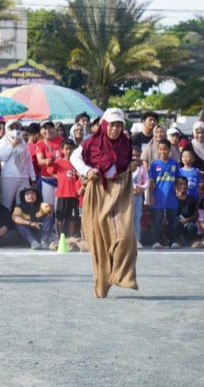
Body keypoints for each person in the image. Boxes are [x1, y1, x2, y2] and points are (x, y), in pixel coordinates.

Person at [70, 108, 138, 298]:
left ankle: (121, 275)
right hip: (99, 191)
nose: (115, 129)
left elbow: (125, 164)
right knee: (100, 238)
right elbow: (74, 157)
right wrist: (86, 170)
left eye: (119, 125)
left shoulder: (126, 144)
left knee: (124, 236)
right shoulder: (91, 142)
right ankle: (102, 283)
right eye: (112, 125)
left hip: (121, 192)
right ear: (105, 125)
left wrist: (131, 166)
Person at [0, 120, 37, 211]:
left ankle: (21, 225)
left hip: (24, 177)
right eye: (12, 127)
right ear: (7, 129)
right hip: (9, 177)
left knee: (23, 204)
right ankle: (5, 224)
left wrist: (33, 178)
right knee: (6, 204)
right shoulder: (3, 141)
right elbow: (1, 157)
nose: (14, 130)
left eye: (16, 127)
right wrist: (12, 145)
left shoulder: (23, 142)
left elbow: (28, 161)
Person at [44, 138, 81, 239]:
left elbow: (80, 176)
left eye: (71, 149)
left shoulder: (77, 162)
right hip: (62, 194)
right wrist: (59, 177)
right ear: (62, 150)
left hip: (73, 194)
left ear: (74, 149)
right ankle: (60, 237)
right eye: (66, 149)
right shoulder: (59, 162)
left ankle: (71, 236)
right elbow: (49, 170)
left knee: (72, 218)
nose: (69, 151)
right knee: (60, 217)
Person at [148, 139, 180, 249]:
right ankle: (156, 241)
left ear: (169, 150)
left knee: (173, 221)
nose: (162, 152)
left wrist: (178, 190)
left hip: (171, 197)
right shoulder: (154, 164)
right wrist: (151, 196)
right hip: (158, 197)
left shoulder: (174, 164)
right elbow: (151, 182)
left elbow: (178, 180)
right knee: (157, 221)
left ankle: (173, 241)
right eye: (160, 149)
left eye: (165, 149)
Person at [35, 120, 63, 207]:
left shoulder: (61, 140)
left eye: (50, 128)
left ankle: (58, 221)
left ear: (54, 129)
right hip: (47, 178)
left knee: (59, 207)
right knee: (48, 207)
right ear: (41, 131)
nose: (48, 130)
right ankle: (48, 221)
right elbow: (40, 161)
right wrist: (46, 161)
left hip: (61, 177)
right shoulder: (40, 144)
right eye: (45, 128)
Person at [131, 146, 149, 248]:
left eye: (137, 155)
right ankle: (127, 240)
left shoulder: (142, 168)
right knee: (128, 218)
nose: (135, 157)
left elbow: (146, 181)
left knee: (137, 217)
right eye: (133, 155)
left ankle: (137, 239)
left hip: (138, 197)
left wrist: (141, 188)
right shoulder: (126, 168)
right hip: (127, 197)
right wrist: (133, 187)